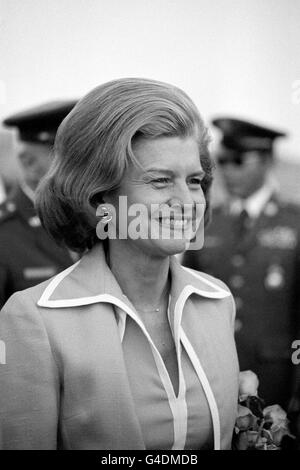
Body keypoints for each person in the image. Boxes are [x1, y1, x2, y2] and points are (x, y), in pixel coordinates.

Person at [0, 78, 239, 450]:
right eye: (160, 181)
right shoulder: (35, 319)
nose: (186, 200)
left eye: (194, 181)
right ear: (99, 198)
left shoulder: (217, 301)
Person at [183, 117, 300, 408]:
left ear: (266, 160)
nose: (228, 171)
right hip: (212, 379)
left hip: (277, 382)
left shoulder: (295, 222)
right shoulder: (207, 222)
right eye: (221, 161)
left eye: (238, 161)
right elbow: (186, 302)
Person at [0, 101, 77, 308]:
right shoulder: (5, 232)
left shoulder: (98, 220)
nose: (82, 166)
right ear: (29, 163)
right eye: (68, 157)